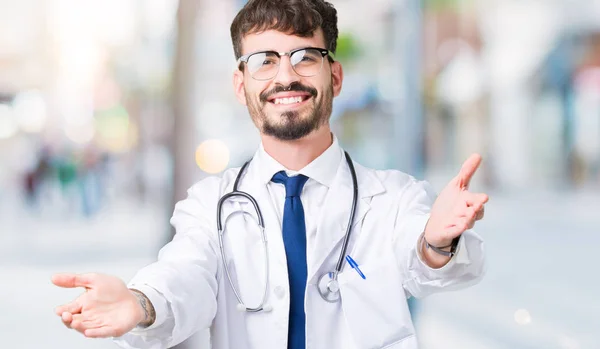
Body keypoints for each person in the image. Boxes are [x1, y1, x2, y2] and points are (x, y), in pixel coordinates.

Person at [51, 0, 489, 348]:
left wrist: (434, 242)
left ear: (334, 76)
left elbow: (429, 265)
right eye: (264, 60)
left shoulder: (392, 197)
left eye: (304, 57)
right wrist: (140, 302)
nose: (286, 76)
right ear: (241, 85)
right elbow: (185, 275)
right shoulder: (210, 205)